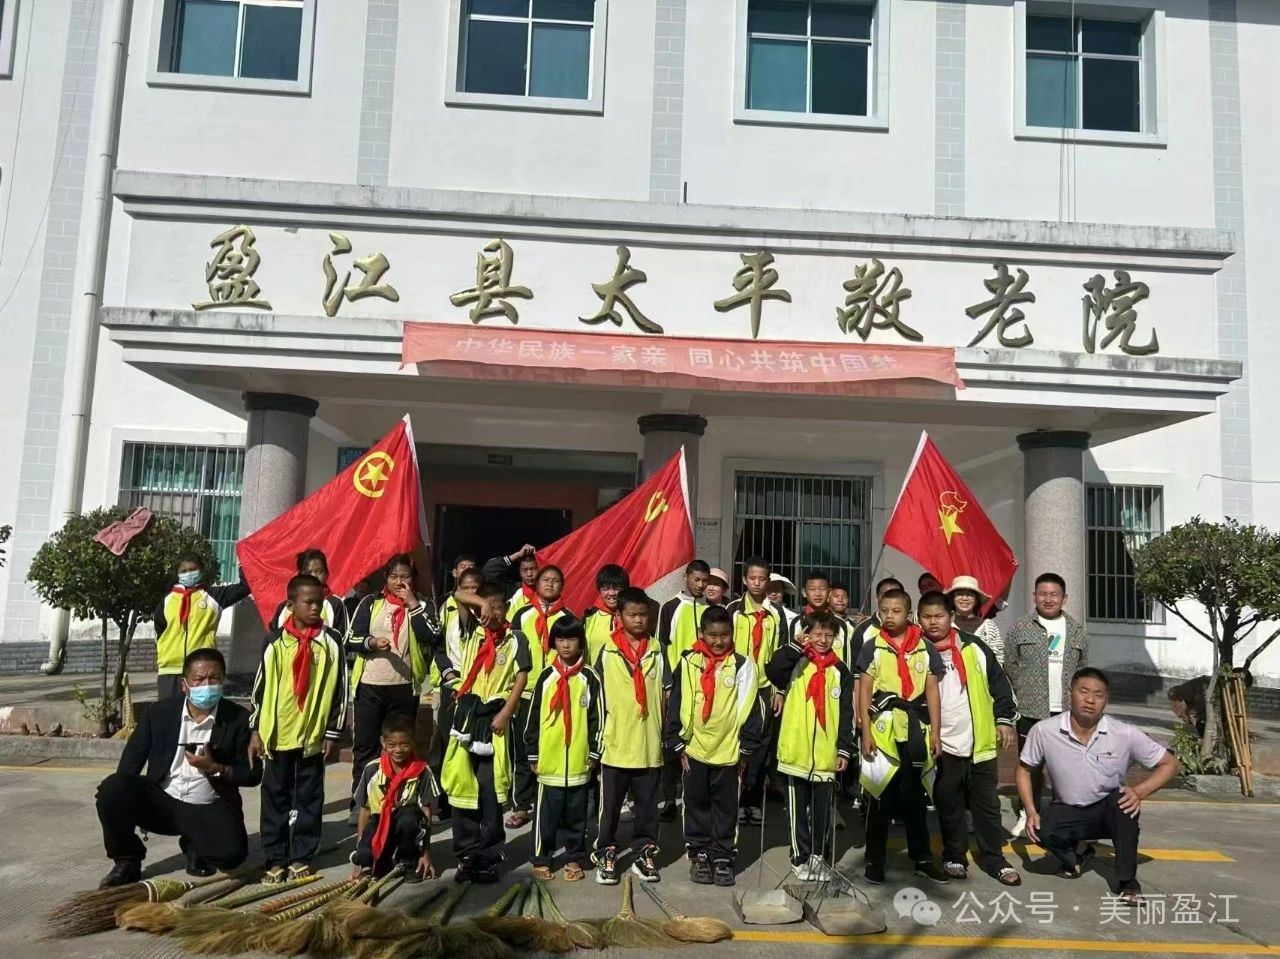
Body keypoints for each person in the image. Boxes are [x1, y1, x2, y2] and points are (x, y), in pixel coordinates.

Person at [95, 648, 260, 887]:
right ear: (184, 684)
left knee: (231, 856)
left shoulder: (238, 719)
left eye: (214, 679)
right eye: (199, 679)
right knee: (112, 789)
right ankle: (127, 860)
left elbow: (252, 775)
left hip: (208, 806)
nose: (207, 685)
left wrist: (215, 768)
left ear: (223, 681)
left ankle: (194, 846)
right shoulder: (158, 714)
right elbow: (129, 766)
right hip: (163, 803)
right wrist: (125, 803)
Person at [1019, 667, 1178, 904]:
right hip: (1067, 810)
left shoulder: (1124, 733)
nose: (1090, 700)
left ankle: (1128, 882)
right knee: (1040, 827)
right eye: (1083, 692)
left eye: (1098, 695)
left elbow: (1170, 764)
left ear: (1106, 700)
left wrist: (1139, 792)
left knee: (1124, 804)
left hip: (1107, 811)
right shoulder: (1044, 730)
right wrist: (1030, 811)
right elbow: (1023, 769)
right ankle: (1077, 855)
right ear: (1070, 694)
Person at [917, 591, 1021, 886]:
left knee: (987, 805)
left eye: (939, 616)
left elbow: (1000, 684)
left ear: (950, 616)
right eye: (927, 616)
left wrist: (1004, 720)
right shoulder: (916, 651)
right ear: (918, 619)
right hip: (941, 742)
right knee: (948, 802)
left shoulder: (974, 647)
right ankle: (954, 856)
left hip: (978, 742)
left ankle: (995, 859)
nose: (933, 622)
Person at [249, 574, 348, 882]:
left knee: (309, 796)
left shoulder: (331, 641)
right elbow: (260, 688)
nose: (316, 607)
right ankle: (275, 857)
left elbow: (341, 689)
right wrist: (256, 729)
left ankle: (302, 855)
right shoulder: (275, 641)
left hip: (312, 734)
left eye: (319, 602)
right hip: (278, 733)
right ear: (291, 605)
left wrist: (333, 731)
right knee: (275, 796)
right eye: (309, 602)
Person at [438, 582, 530, 883]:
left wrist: (506, 713)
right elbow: (456, 595)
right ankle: (467, 853)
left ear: (507, 610)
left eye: (498, 608)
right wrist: (481, 604)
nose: (493, 614)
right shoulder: (472, 631)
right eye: (487, 609)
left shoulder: (516, 638)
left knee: (489, 790)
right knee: (463, 787)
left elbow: (521, 677)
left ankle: (490, 854)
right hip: (467, 717)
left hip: (495, 719)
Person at [666, 605, 764, 886]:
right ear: (701, 633)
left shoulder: (743, 665)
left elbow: (751, 708)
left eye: (724, 635)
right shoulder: (688, 662)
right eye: (712, 635)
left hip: (729, 751)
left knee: (726, 807)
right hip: (694, 749)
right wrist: (676, 742)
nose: (719, 641)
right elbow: (676, 702)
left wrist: (746, 748)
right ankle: (699, 853)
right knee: (696, 804)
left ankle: (723, 856)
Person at [856, 588, 947, 885]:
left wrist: (936, 732)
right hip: (883, 730)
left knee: (916, 797)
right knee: (879, 796)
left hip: (915, 729)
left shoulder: (925, 648)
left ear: (908, 614)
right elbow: (864, 691)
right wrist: (865, 731)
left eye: (896, 611)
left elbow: (932, 692)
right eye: (884, 611)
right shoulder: (872, 646)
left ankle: (922, 858)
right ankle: (874, 859)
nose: (889, 616)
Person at [347, 554, 437, 823]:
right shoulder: (371, 602)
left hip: (405, 686)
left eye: (405, 576)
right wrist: (372, 642)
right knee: (365, 746)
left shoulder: (424, 605)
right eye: (394, 576)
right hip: (370, 685)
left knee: (401, 746)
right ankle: (360, 802)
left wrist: (413, 604)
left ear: (413, 579)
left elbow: (431, 635)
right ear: (386, 579)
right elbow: (352, 638)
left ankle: (400, 798)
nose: (399, 582)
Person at [766, 611, 854, 881]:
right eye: (817, 634)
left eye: (829, 635)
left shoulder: (840, 670)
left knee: (823, 810)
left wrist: (844, 748)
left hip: (826, 753)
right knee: (797, 810)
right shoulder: (796, 661)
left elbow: (846, 712)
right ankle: (800, 856)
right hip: (796, 751)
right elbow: (773, 671)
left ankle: (819, 855)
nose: (823, 640)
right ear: (807, 634)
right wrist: (795, 647)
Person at [593, 586, 669, 885]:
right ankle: (606, 851)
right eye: (632, 615)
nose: (638, 620)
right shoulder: (607, 652)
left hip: (648, 743)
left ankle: (644, 852)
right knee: (610, 807)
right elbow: (597, 697)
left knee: (648, 806)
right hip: (616, 743)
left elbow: (667, 692)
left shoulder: (658, 650)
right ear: (619, 616)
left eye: (643, 615)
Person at [1005, 573, 1089, 837]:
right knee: (1029, 765)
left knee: (1064, 766)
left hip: (1065, 711)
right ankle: (1027, 812)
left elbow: (1083, 669)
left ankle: (1062, 815)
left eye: (1054, 594)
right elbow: (1010, 665)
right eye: (1042, 594)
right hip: (1030, 709)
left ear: (1064, 598)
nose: (1048, 599)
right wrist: (1022, 692)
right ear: (1034, 597)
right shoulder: (1020, 628)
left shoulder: (1076, 630)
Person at [525, 617, 603, 882]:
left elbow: (597, 717)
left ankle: (574, 856)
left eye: (571, 639)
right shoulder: (546, 677)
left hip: (579, 761)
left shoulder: (590, 677)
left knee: (577, 816)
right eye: (560, 639)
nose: (566, 645)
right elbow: (533, 716)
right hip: (549, 761)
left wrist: (594, 752)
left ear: (581, 643)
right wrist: (533, 752)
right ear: (553, 643)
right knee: (546, 816)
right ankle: (541, 857)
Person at [507, 564, 573, 829]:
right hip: (525, 692)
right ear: (537, 584)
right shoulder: (522, 615)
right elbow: (510, 651)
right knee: (523, 750)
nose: (549, 584)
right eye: (545, 579)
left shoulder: (568, 617)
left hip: (555, 692)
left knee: (552, 749)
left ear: (562, 586)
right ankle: (521, 806)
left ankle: (549, 804)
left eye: (555, 580)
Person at [728, 557, 786, 826]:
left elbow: (781, 654)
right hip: (736, 686)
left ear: (768, 581)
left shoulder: (776, 614)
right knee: (736, 741)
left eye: (762, 579)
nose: (757, 583)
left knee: (761, 747)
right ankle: (735, 801)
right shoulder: (733, 611)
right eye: (752, 578)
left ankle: (752, 801)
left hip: (765, 687)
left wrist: (780, 690)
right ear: (744, 580)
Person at [350, 713, 438, 882]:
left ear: (412, 742)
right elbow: (365, 809)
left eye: (404, 744)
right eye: (392, 745)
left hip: (407, 824)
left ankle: (409, 862)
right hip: (380, 822)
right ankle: (381, 862)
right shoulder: (372, 769)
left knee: (409, 818)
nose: (398, 750)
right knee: (369, 860)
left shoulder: (422, 770)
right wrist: (360, 852)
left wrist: (426, 852)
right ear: (383, 742)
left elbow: (426, 811)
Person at [152, 554, 251, 701]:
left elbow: (245, 587)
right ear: (178, 574)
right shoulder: (167, 600)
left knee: (203, 712)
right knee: (168, 713)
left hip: (202, 670)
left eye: (192, 569)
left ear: (201, 571)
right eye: (183, 571)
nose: (188, 573)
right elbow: (159, 630)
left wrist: (243, 562)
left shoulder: (213, 597)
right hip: (170, 671)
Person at [428, 566, 484, 822]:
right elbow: (439, 648)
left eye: (476, 588)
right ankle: (444, 801)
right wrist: (448, 673)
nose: (471, 593)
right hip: (452, 685)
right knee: (447, 744)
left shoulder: (487, 615)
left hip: (479, 688)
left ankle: (471, 801)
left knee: (473, 747)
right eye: (466, 588)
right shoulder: (449, 610)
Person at [656, 560, 710, 821]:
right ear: (686, 577)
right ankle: (669, 800)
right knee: (672, 742)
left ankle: (694, 798)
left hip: (704, 686)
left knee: (697, 741)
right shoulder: (670, 607)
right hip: (677, 686)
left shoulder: (711, 609)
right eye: (696, 579)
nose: (700, 585)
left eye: (704, 581)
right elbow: (662, 646)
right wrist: (668, 683)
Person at [271, 548, 349, 636]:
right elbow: (273, 638)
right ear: (300, 575)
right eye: (308, 572)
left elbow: (342, 639)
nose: (314, 576)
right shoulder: (285, 607)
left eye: (319, 571)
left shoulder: (335, 604)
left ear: (326, 574)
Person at [793, 570, 853, 661]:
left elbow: (846, 660)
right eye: (812, 589)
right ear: (804, 592)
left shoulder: (841, 624)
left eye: (822, 589)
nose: (818, 594)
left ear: (829, 592)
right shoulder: (796, 623)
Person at [945, 575, 1004, 664]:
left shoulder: (989, 626)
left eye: (969, 595)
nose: (964, 598)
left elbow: (998, 658)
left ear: (976, 599)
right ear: (953, 598)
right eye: (959, 594)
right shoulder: (945, 625)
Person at [849, 576, 906, 656]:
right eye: (885, 595)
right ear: (877, 598)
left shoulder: (913, 630)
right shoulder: (863, 629)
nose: (890, 599)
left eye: (895, 595)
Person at [584, 564, 629, 662]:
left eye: (617, 588)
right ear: (599, 591)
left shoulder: (634, 616)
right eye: (605, 588)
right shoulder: (589, 617)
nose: (611, 593)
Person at [482, 543, 539, 621]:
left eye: (533, 569)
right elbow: (488, 571)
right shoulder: (511, 590)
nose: (529, 574)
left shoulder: (547, 591)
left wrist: (540, 556)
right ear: (519, 571)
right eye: (525, 570)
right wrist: (518, 554)